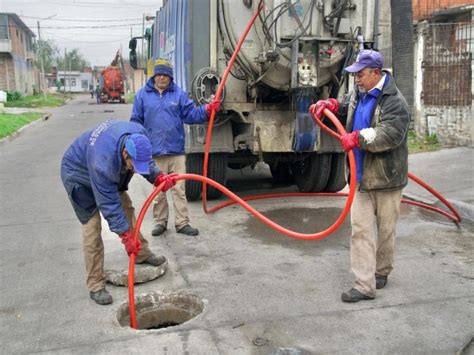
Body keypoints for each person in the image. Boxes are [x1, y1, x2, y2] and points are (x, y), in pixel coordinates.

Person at [311, 50, 410, 302]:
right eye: (354, 75)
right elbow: (345, 107)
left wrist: (357, 137)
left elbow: (389, 134)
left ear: (376, 74)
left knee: (386, 231)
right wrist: (331, 105)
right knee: (361, 231)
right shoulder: (359, 93)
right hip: (360, 177)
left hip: (387, 179)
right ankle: (364, 285)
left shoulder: (395, 102)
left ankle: (382, 270)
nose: (356, 79)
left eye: (361, 74)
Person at [61, 119, 178, 305]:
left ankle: (141, 254)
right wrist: (125, 236)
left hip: (105, 166)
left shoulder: (139, 137)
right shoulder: (104, 164)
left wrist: (158, 177)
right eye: (133, 165)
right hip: (78, 174)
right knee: (92, 227)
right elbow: (109, 206)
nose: (135, 169)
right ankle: (96, 283)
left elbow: (145, 162)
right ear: (125, 153)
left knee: (127, 208)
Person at [130, 59, 220, 237]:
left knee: (179, 190)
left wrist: (208, 110)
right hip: (154, 153)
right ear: (154, 76)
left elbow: (191, 114)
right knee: (159, 191)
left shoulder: (179, 95)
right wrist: (137, 143)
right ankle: (160, 222)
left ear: (170, 77)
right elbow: (135, 121)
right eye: (159, 74)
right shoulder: (142, 96)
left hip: (176, 152)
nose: (161, 77)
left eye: (165, 75)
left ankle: (182, 223)